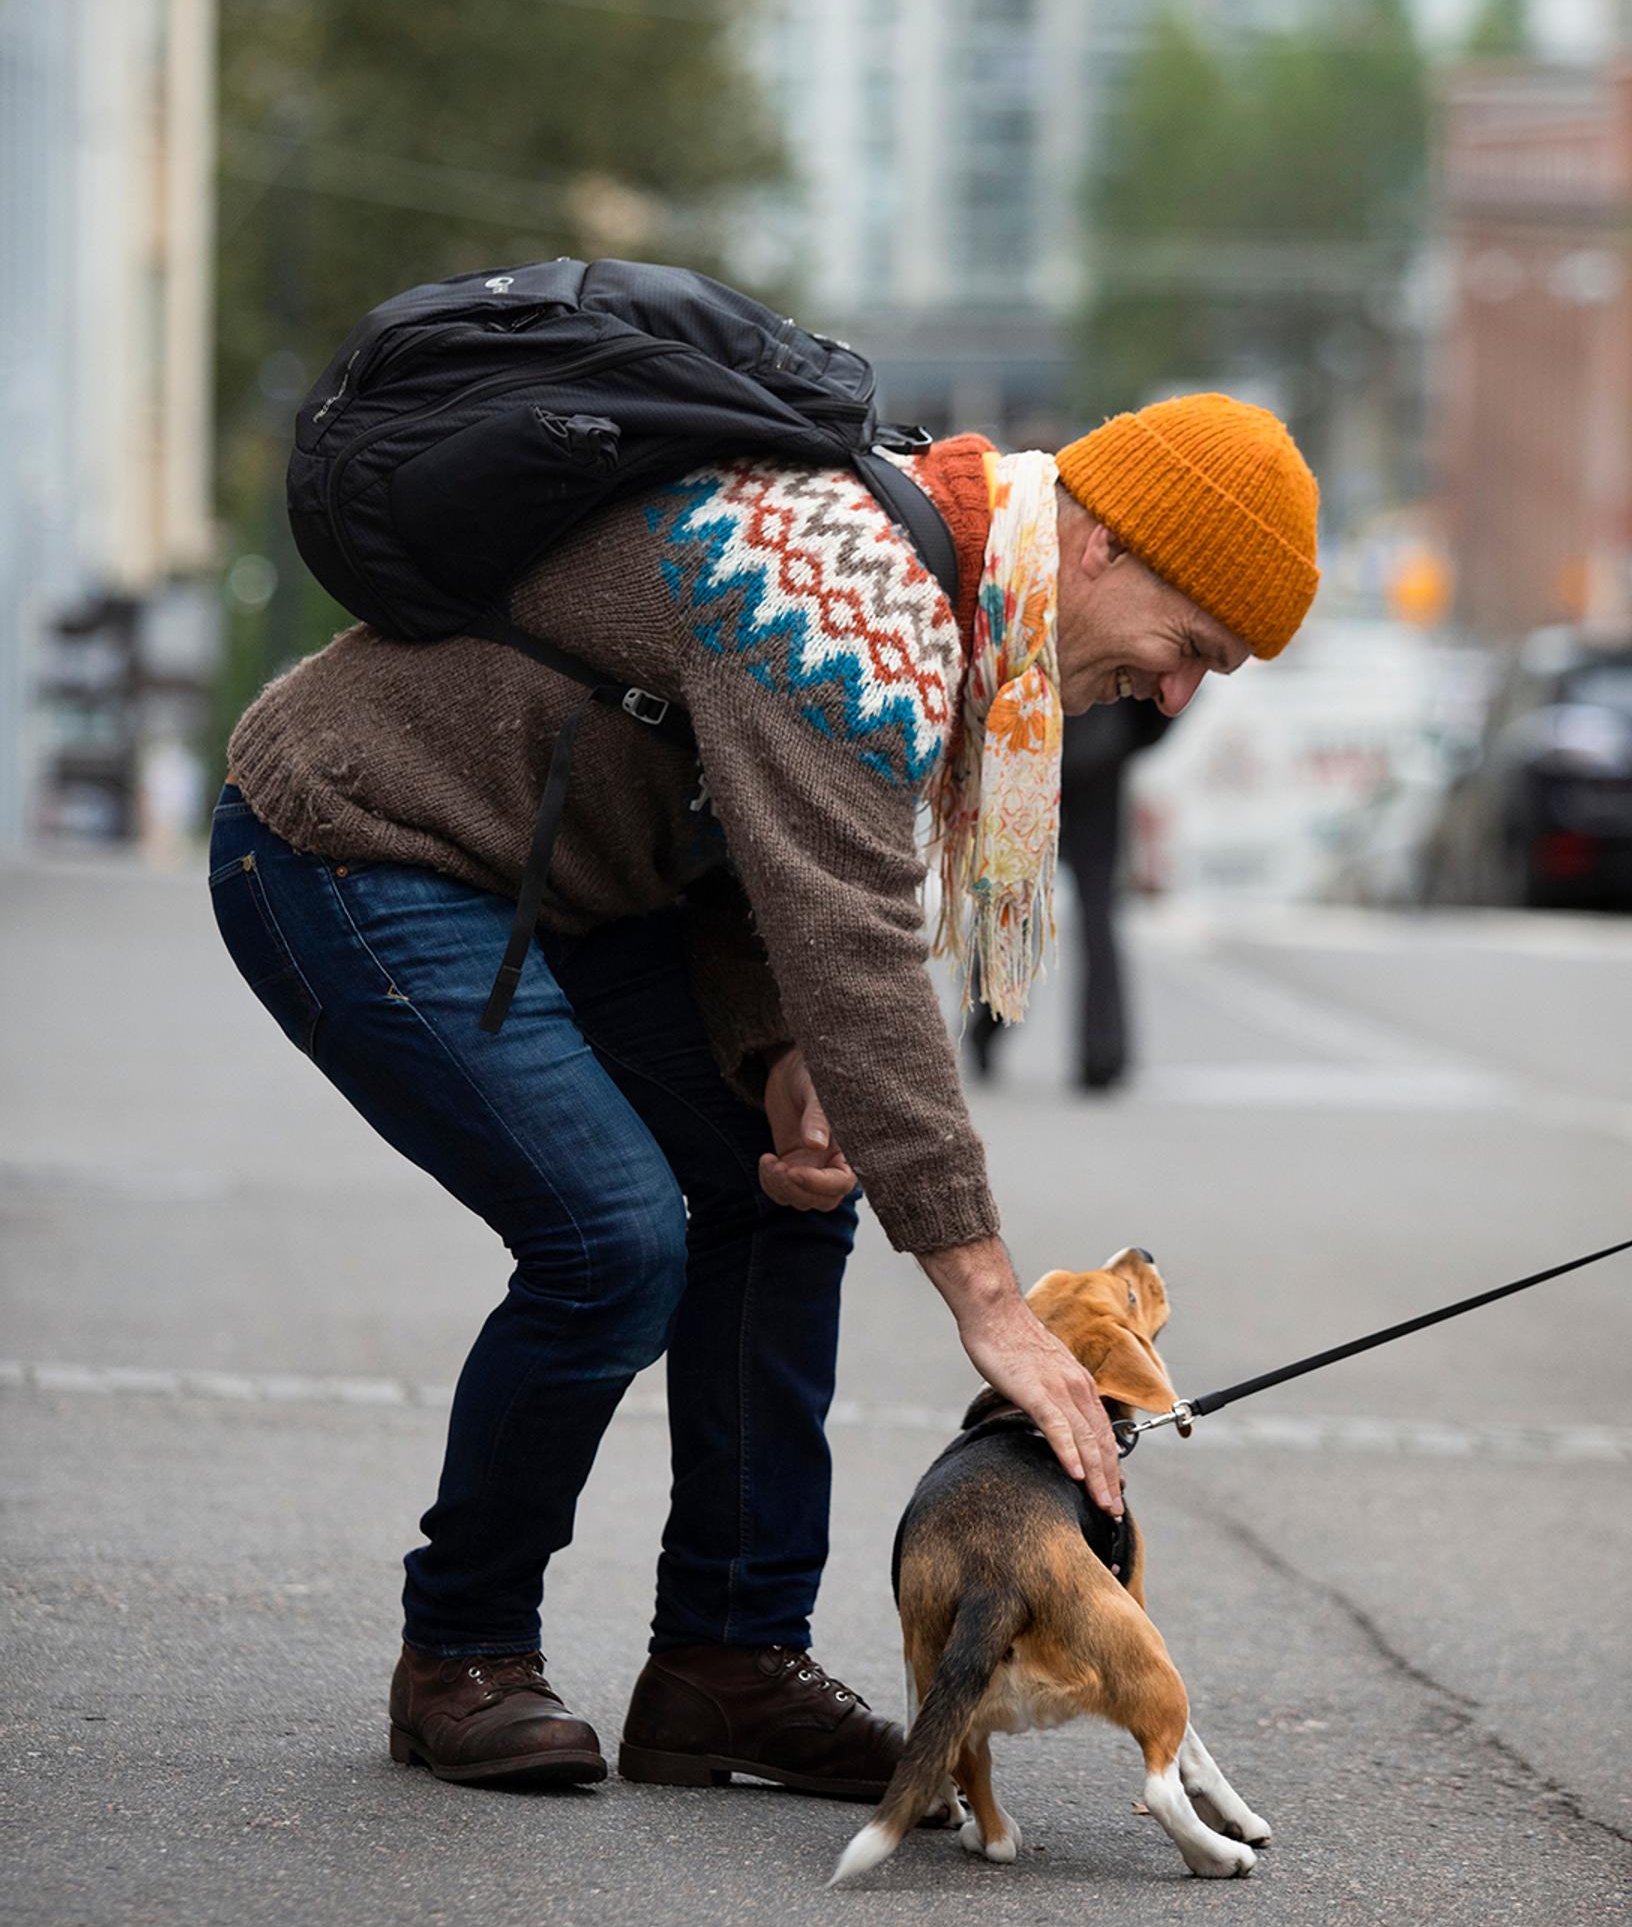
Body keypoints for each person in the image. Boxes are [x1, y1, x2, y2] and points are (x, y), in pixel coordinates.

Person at [208, 391, 1318, 1799]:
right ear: (1103, 547)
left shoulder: (958, 581)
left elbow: (750, 836)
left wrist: (777, 1053)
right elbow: (854, 938)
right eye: (1192, 649)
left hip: (569, 881)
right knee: (612, 1241)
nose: (1175, 697)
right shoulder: (864, 593)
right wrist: (990, 1300)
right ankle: (462, 1651)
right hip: (358, 842)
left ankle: (726, 1665)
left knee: (792, 1186)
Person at [966, 693, 1171, 1092]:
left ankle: (990, 1021)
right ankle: (1103, 1051)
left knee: (1012, 899)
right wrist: (1129, 736)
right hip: (1093, 749)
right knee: (1093, 907)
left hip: (1032, 743)